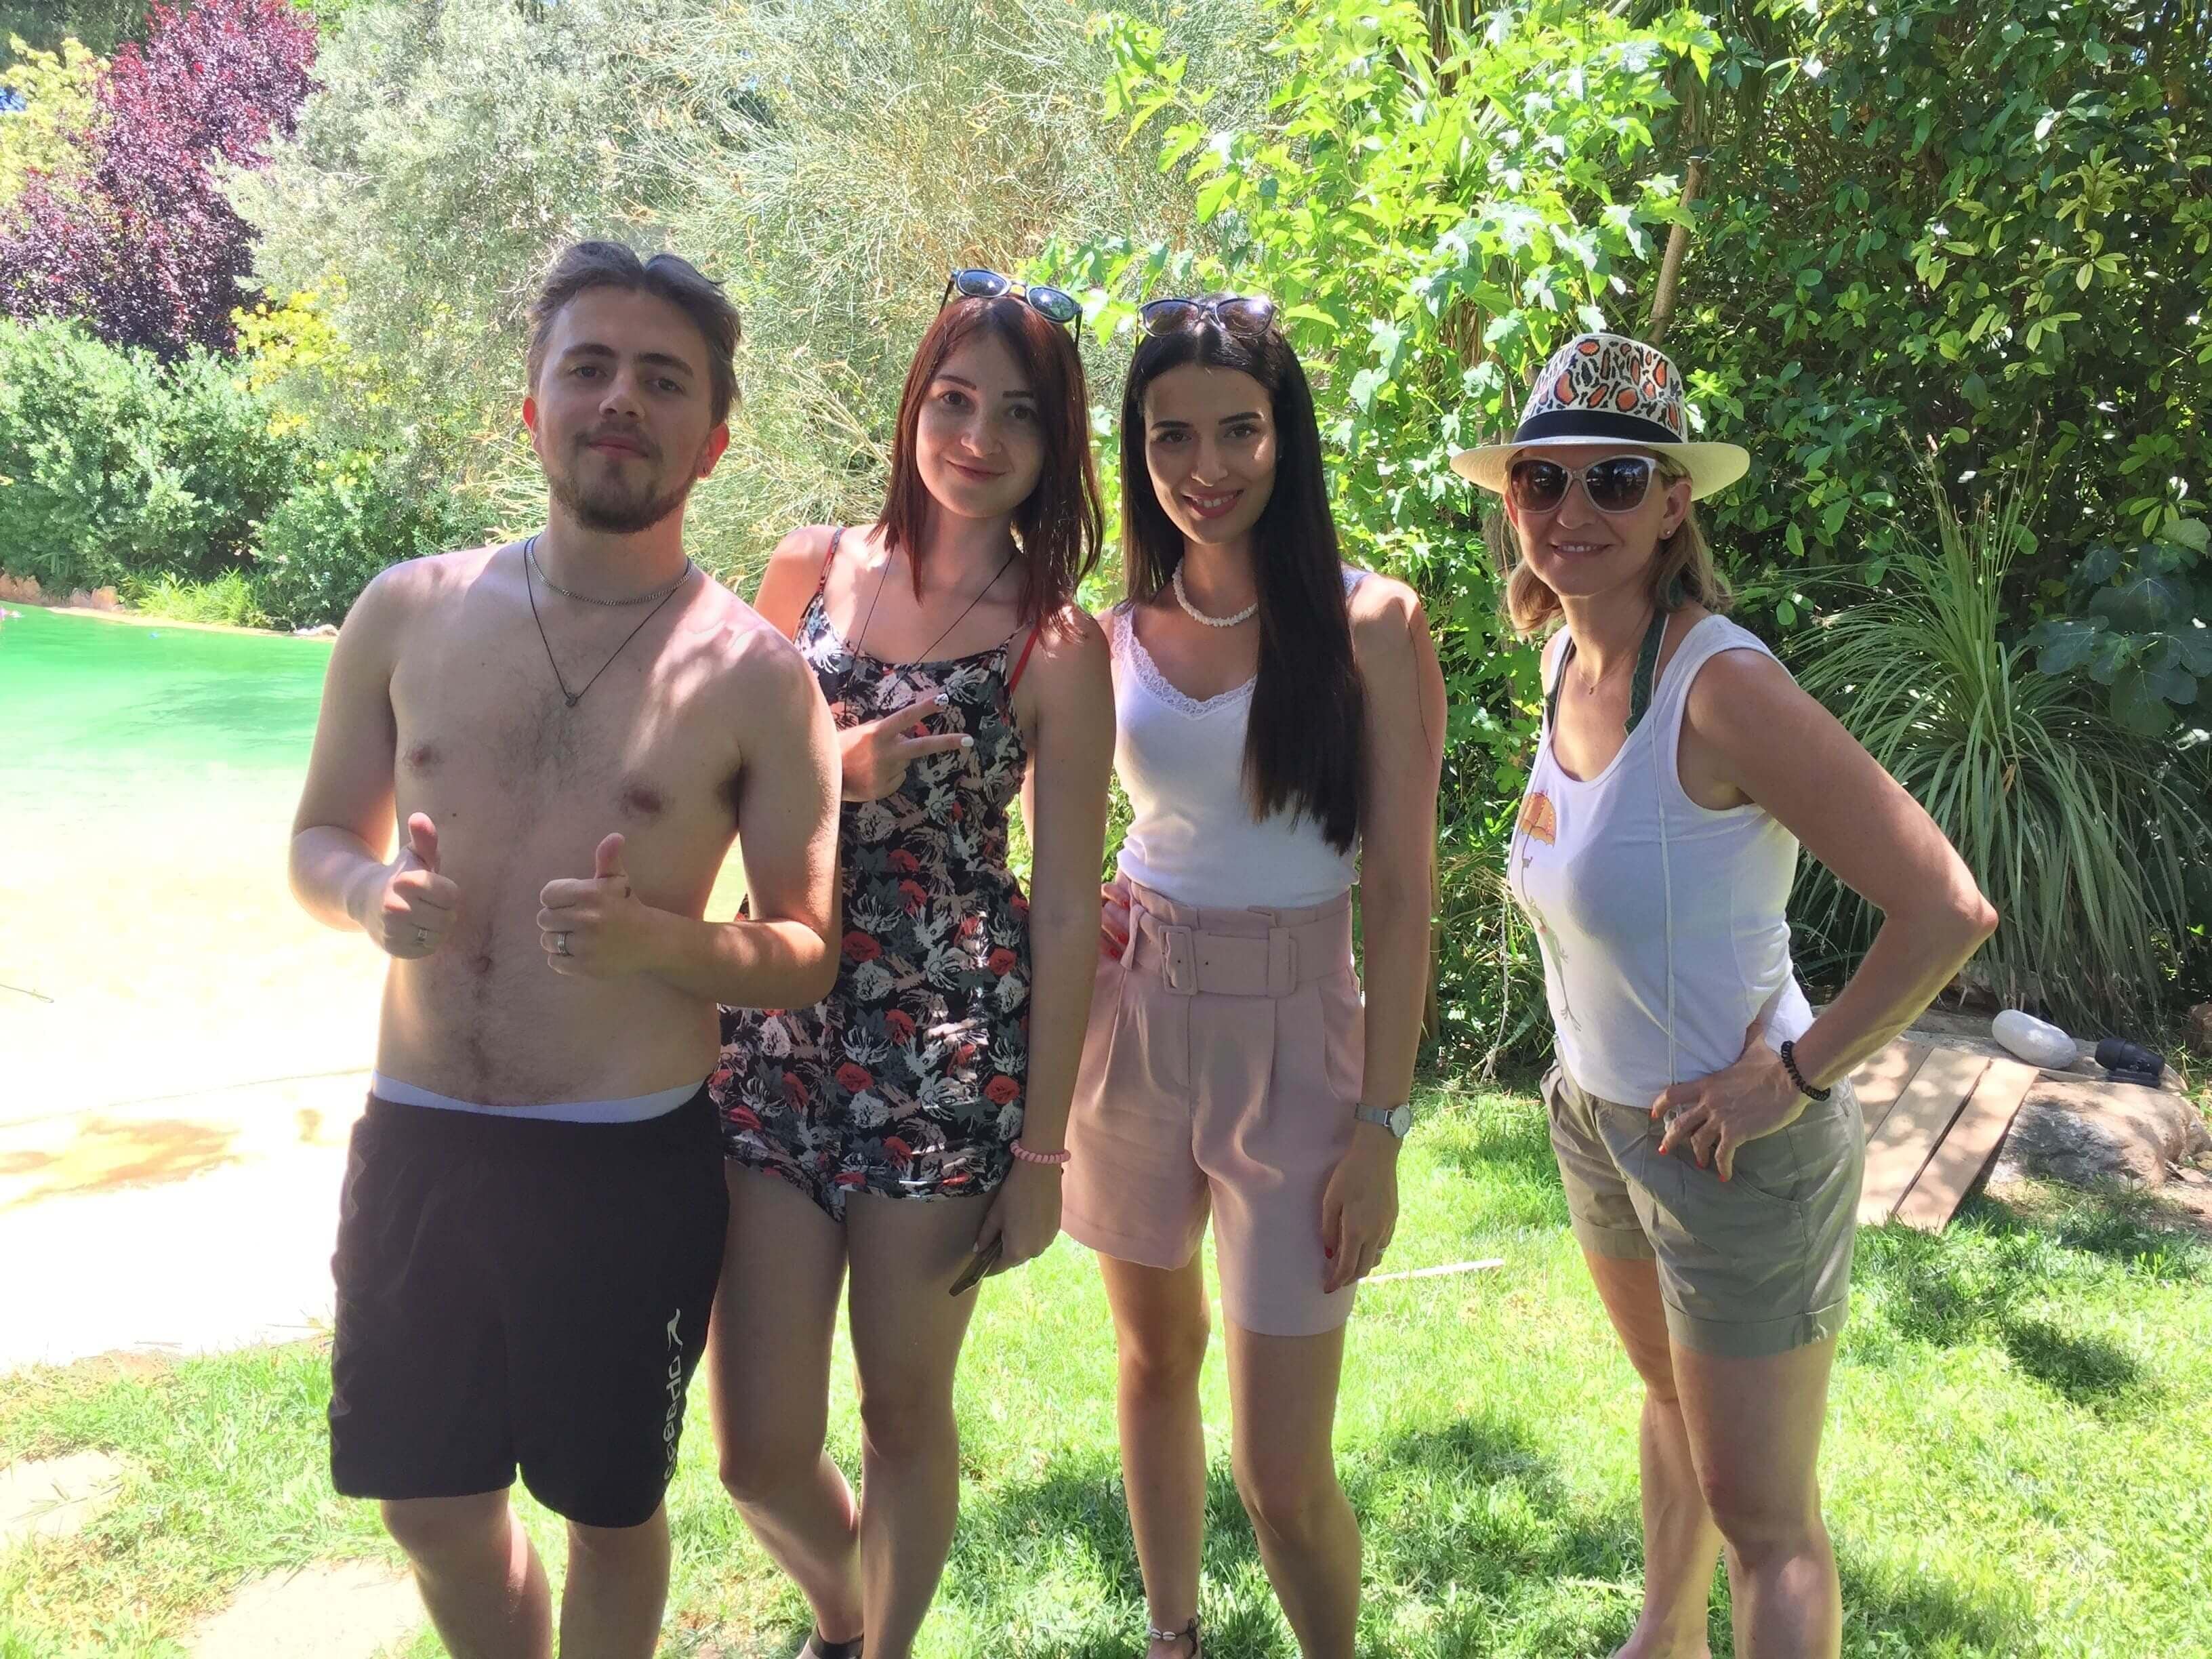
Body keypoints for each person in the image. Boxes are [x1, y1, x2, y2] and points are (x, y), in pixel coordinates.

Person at [289, 241, 840, 1659]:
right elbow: (318, 841)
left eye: (663, 380)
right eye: (588, 367)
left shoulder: (758, 678)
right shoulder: (408, 612)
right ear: (530, 407)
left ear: (713, 441)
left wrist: (659, 942)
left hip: (623, 1161)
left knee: (607, 1507)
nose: (620, 401)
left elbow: (805, 951)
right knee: (427, 1504)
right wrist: (369, 897)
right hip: (420, 1136)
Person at [1453, 331, 2000, 1659]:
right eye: (1543, 480)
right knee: (1669, 1403)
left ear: (1673, 502)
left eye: (1615, 480)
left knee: (1767, 1523)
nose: (1573, 510)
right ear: (1512, 498)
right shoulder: (1568, 660)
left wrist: (1794, 1075)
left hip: (1734, 1148)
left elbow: (1947, 907)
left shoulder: (1724, 686)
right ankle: (1664, 1640)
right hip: (1602, 1123)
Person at [707, 268, 1115, 1659]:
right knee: (756, 1449)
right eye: (953, 399)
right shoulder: (806, 568)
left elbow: (1067, 912)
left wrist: (1043, 1153)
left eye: (1020, 413)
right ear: (913, 406)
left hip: (946, 1061)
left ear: (1057, 443)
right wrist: (834, 767)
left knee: (900, 1412)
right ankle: (848, 1611)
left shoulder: (1059, 643)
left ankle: (873, 1645)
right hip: (777, 1032)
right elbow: (706, 782)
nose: (979, 438)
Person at [1062, 294, 1448, 1659]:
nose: (1204, 467)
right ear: (1137, 449)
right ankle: (1173, 1637)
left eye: (1238, 430)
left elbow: (1401, 895)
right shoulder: (1113, 633)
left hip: (1300, 1041)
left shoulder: (1370, 625)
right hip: (1138, 1027)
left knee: (1282, 1479)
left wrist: (1381, 1128)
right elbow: (1084, 835)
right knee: (1153, 1359)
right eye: (1171, 436)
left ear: (1288, 437)